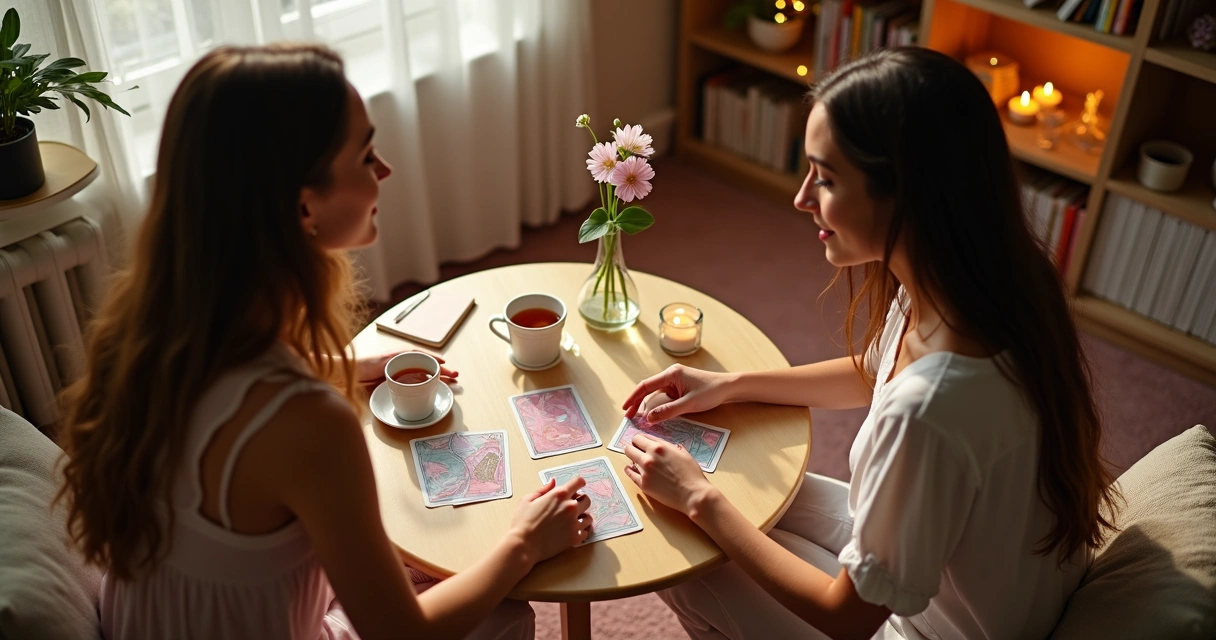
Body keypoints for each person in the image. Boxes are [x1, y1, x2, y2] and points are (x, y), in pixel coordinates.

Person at [56, 43, 592, 640]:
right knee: (505, 614)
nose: (384, 170)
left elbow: (235, 396)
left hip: (158, 619)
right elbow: (402, 633)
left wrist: (351, 363)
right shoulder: (311, 423)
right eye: (365, 155)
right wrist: (524, 542)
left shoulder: (158, 332)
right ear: (304, 204)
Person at [618, 47, 1120, 640]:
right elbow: (873, 370)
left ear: (907, 194)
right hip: (951, 568)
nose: (801, 198)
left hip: (924, 631)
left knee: (688, 562)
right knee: (741, 489)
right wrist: (730, 384)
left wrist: (700, 500)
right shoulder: (979, 282)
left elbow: (849, 616)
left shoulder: (929, 412)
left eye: (826, 179)